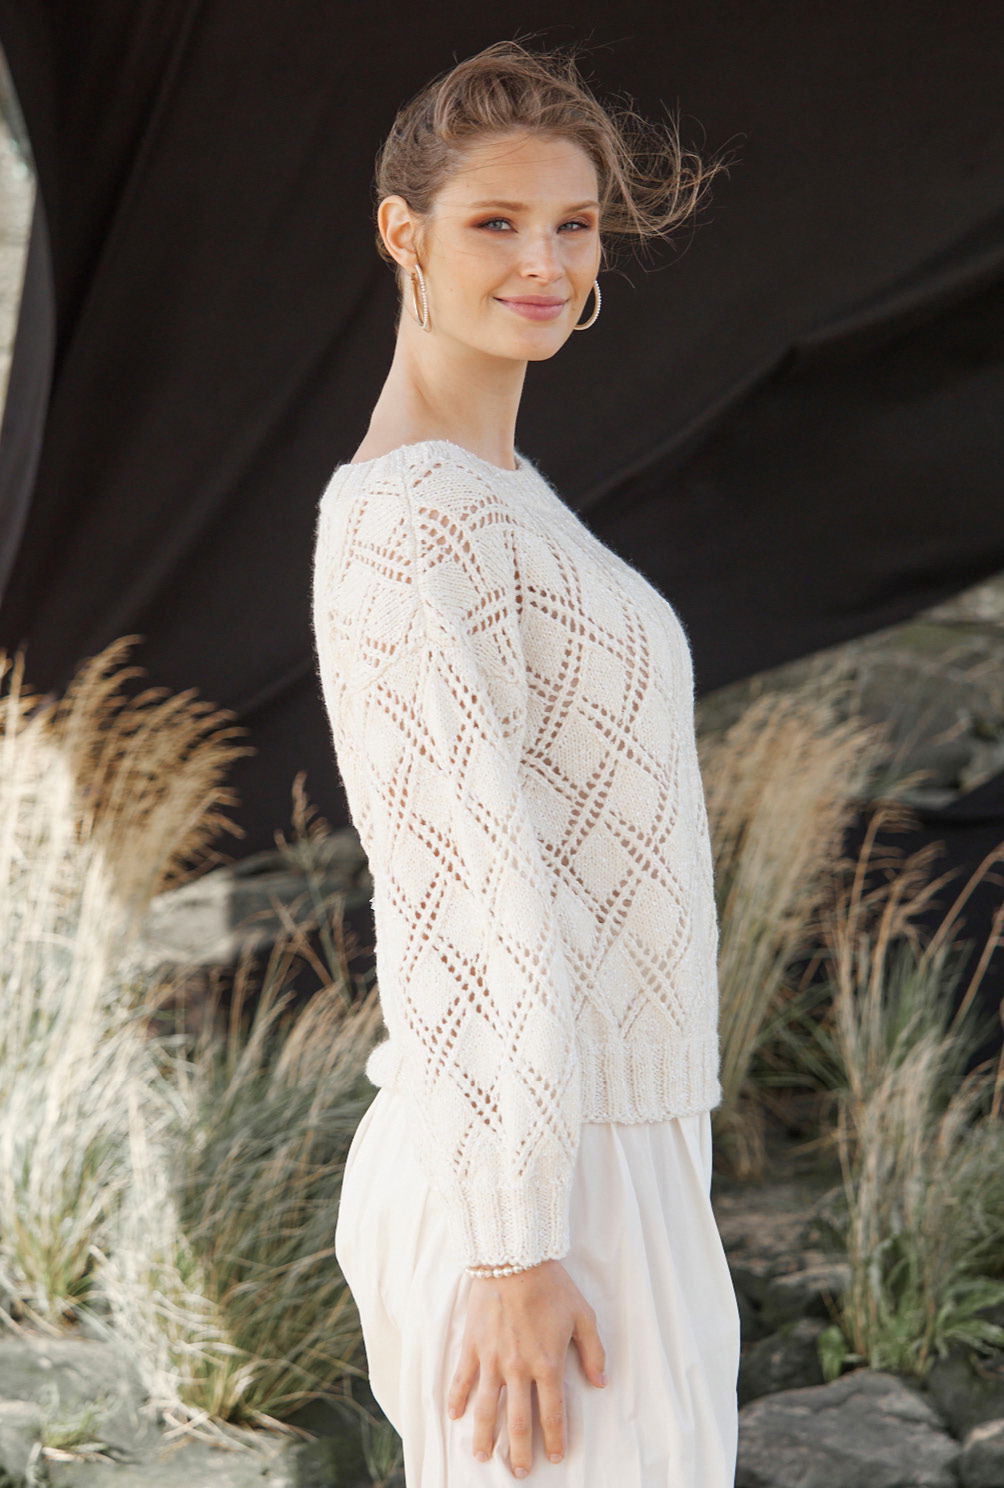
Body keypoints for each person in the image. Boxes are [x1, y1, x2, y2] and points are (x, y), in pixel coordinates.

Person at [311, 37, 741, 1485]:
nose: (544, 262)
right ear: (405, 233)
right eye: (497, 222)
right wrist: (509, 1250)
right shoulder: (408, 524)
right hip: (528, 1190)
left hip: (608, 1148)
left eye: (573, 224)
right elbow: (467, 906)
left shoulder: (507, 492)